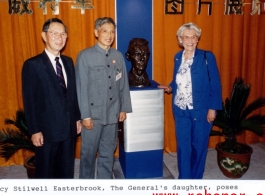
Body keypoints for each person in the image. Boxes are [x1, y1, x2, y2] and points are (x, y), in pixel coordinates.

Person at [158, 22, 222, 179]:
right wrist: (171, 87)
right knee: (183, 146)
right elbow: (179, 79)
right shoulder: (177, 57)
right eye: (186, 37)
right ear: (180, 39)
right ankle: (184, 179)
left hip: (201, 109)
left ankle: (195, 180)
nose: (190, 41)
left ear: (197, 39)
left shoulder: (207, 57)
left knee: (198, 146)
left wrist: (213, 108)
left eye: (193, 37)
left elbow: (215, 84)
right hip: (181, 110)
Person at [22, 18, 81, 178]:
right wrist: (34, 130)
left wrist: (77, 119)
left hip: (68, 129)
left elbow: (72, 95)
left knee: (66, 172)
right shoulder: (33, 65)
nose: (60, 38)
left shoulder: (68, 62)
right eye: (54, 33)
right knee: (46, 173)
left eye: (63, 34)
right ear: (44, 36)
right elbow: (30, 101)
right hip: (46, 131)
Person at [75, 17, 132, 179]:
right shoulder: (85, 56)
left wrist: (123, 108)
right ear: (96, 32)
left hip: (112, 114)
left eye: (112, 32)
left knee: (108, 153)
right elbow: (81, 88)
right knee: (88, 155)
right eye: (105, 31)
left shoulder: (118, 56)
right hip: (93, 115)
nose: (109, 35)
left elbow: (123, 85)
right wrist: (85, 115)